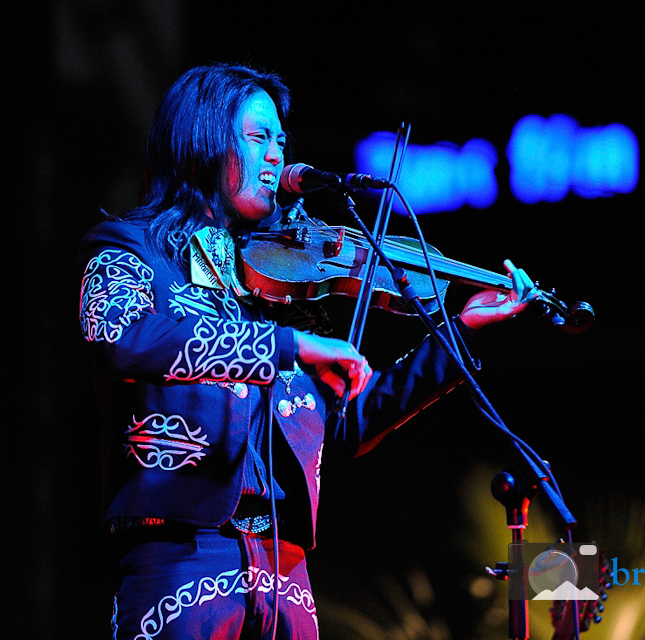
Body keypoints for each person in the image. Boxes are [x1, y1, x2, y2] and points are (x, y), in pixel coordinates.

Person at [79, 62, 535, 640]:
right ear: (202, 139)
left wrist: (459, 332)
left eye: (280, 138)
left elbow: (347, 424)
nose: (277, 154)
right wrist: (288, 345)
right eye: (258, 136)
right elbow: (126, 338)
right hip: (179, 560)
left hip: (285, 569)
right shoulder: (133, 252)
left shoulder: (281, 282)